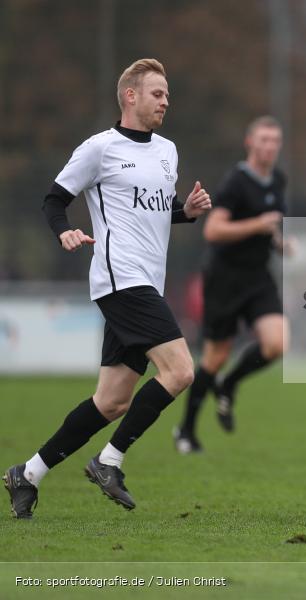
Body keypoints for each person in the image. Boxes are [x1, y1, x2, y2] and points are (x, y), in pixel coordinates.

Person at [3, 58, 212, 518]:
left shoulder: (167, 151)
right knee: (181, 372)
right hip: (121, 278)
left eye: (168, 94)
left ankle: (28, 474)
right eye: (158, 93)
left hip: (145, 283)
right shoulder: (99, 148)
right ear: (130, 96)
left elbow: (156, 211)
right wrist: (64, 231)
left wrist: (187, 212)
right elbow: (54, 199)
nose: (166, 101)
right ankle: (109, 460)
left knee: (113, 401)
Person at [173, 116, 289, 454]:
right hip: (224, 277)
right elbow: (213, 231)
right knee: (216, 355)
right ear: (249, 143)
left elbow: (270, 226)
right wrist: (257, 224)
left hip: (258, 276)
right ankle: (186, 430)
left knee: (276, 344)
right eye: (263, 140)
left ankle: (228, 386)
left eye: (275, 140)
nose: (269, 146)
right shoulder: (235, 182)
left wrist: (280, 242)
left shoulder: (278, 179)